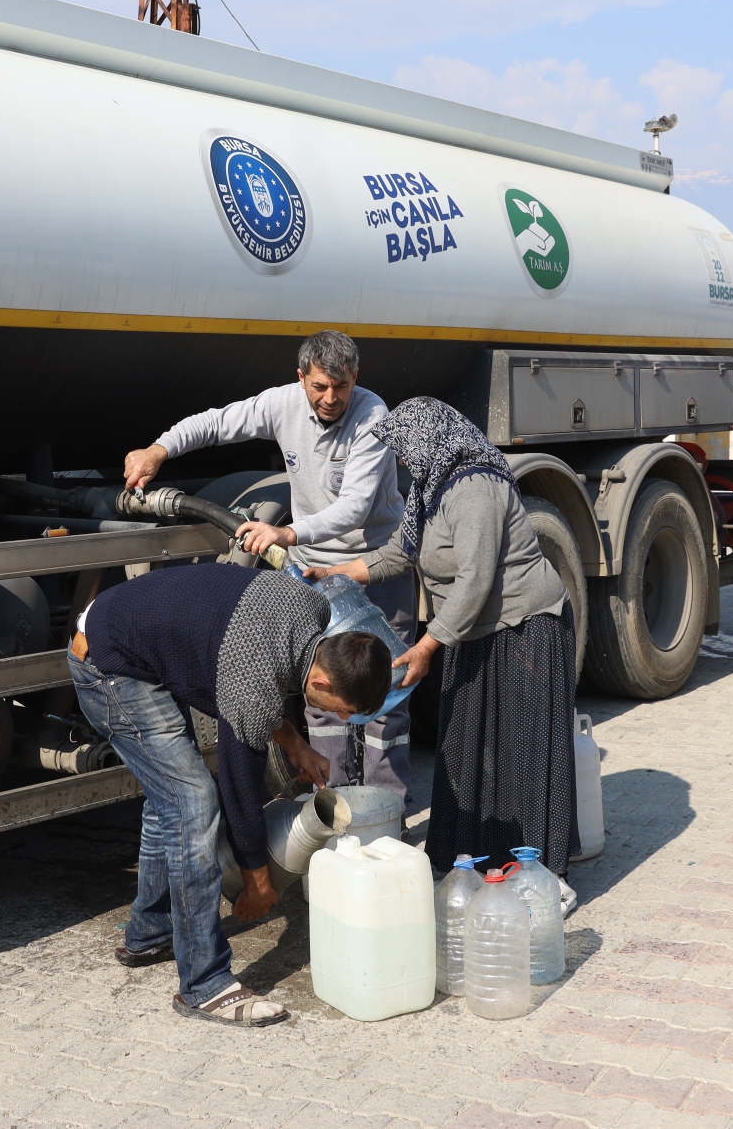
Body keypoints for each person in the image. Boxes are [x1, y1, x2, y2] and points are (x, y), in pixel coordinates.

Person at [68, 563, 390, 1025]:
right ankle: (204, 984)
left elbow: (267, 677)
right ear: (322, 682)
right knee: (192, 801)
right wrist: (257, 878)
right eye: (340, 710)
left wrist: (296, 744)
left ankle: (151, 932)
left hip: (141, 642)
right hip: (108, 663)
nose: (339, 720)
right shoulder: (254, 679)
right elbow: (239, 788)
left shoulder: (314, 613)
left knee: (170, 798)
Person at [123, 330, 413, 797]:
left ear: (355, 377)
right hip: (316, 582)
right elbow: (217, 423)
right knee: (324, 697)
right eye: (319, 387)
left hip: (374, 569)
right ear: (300, 378)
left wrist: (287, 533)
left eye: (341, 386)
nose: (331, 398)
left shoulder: (373, 415)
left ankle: (384, 812)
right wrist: (160, 449)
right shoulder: (282, 403)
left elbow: (356, 507)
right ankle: (335, 807)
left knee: (387, 696)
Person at [310, 398, 582, 889]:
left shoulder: (475, 485)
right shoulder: (431, 486)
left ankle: (545, 877)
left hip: (526, 628)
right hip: (474, 631)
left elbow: (475, 580)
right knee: (469, 750)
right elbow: (400, 551)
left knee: (523, 753)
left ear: (428, 438)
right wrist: (339, 571)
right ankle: (474, 862)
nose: (401, 459)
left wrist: (427, 646)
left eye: (404, 448)